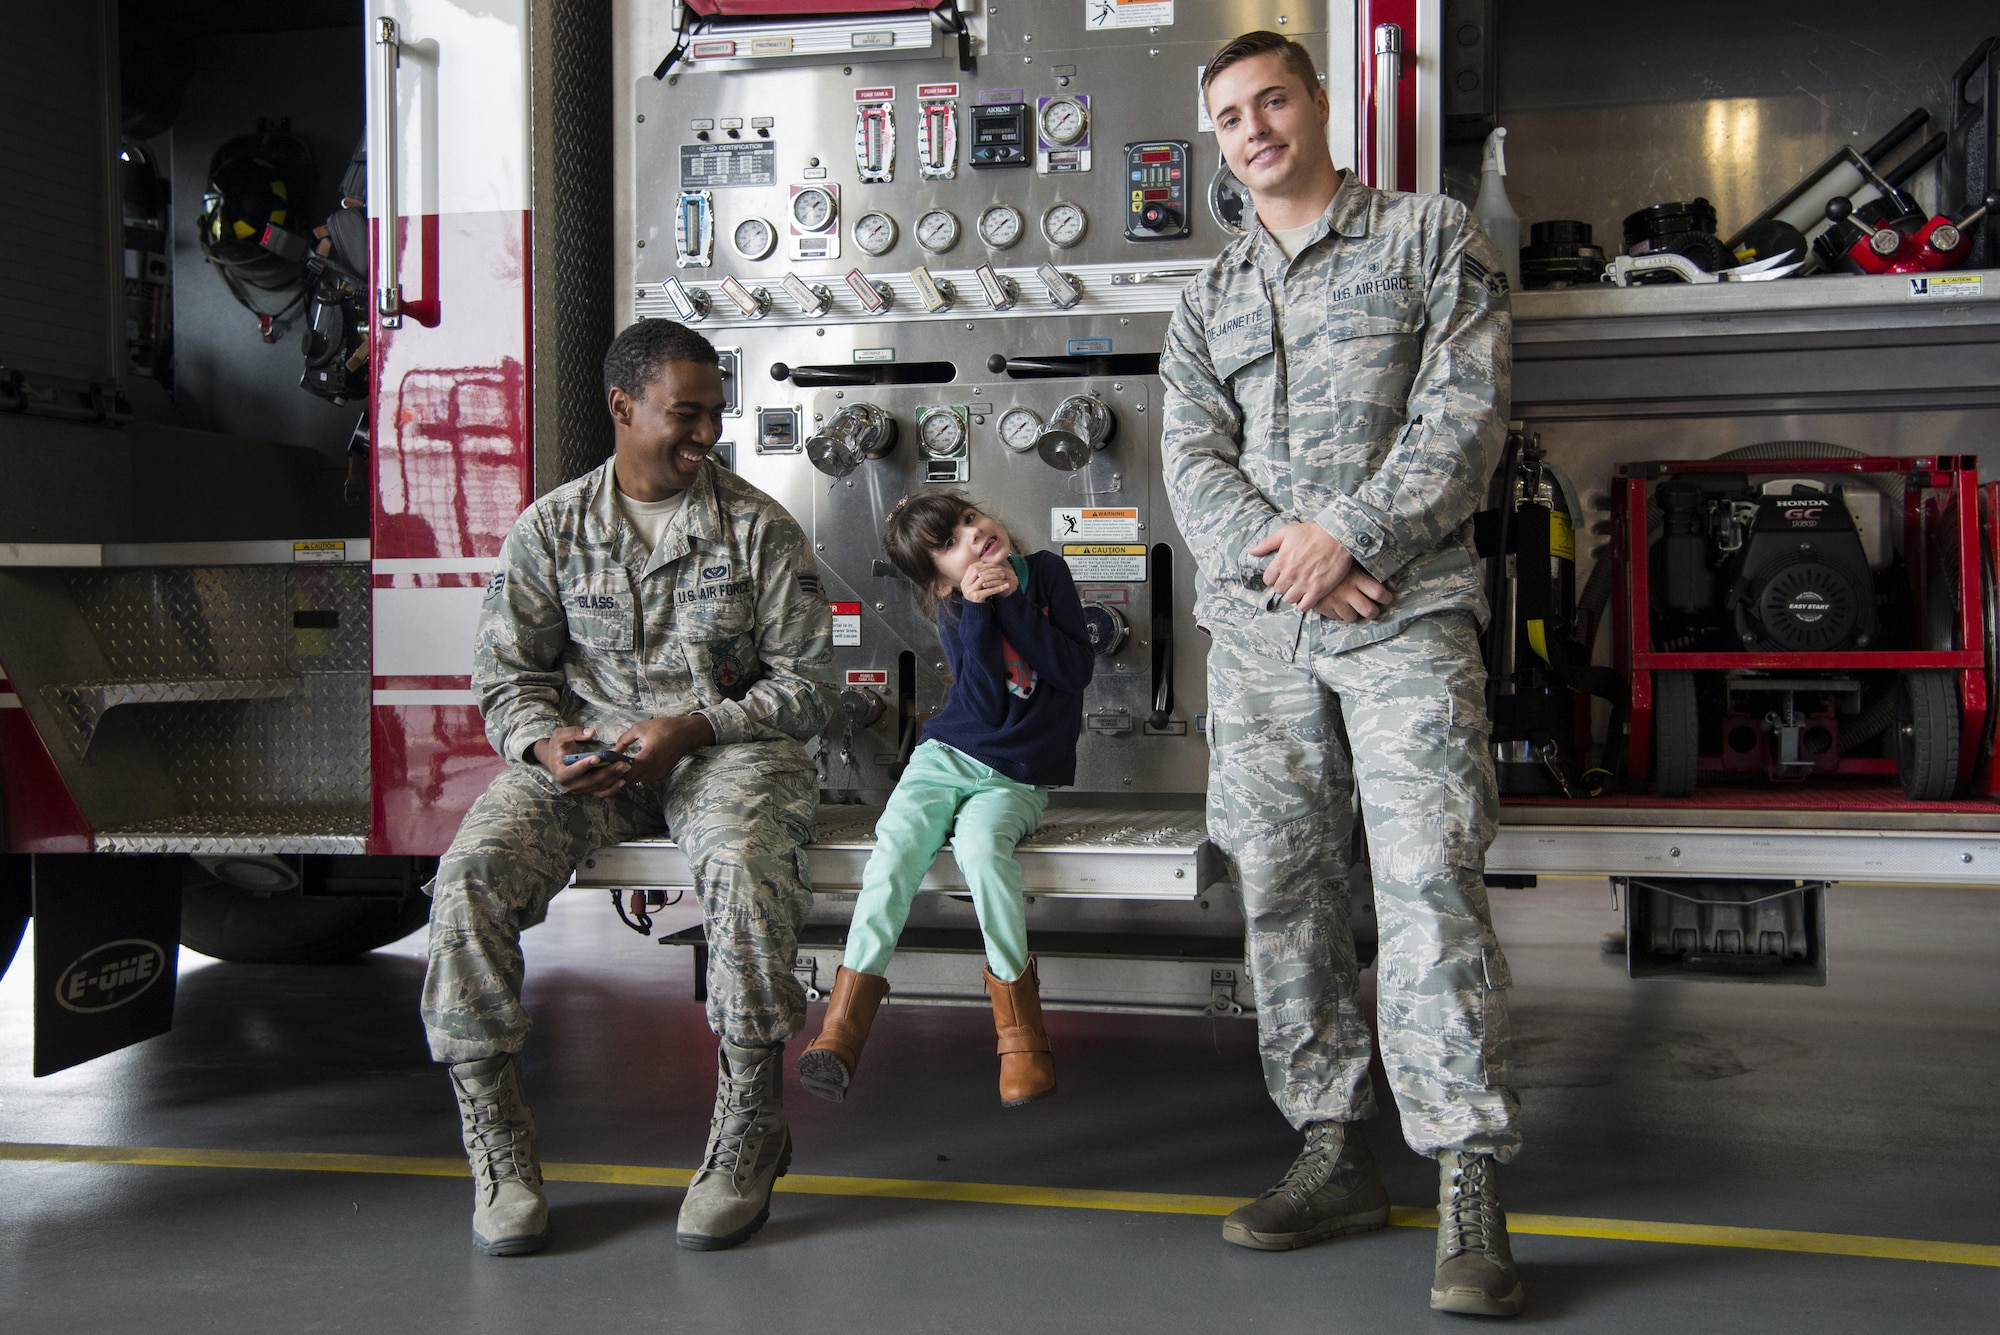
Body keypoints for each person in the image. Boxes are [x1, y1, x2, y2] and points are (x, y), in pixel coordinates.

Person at [1161, 31, 1525, 1317]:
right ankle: (1329, 1152)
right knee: (1283, 893)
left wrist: (1350, 538)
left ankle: (1465, 1180)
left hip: (1405, 616)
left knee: (1429, 884)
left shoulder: (1427, 239)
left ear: (1318, 106)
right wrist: (1291, 564)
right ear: (1217, 138)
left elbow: (1465, 417)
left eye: (1273, 100)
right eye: (1230, 115)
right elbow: (1192, 464)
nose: (1254, 127)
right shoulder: (1205, 298)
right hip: (1265, 638)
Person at [420, 318, 834, 1257]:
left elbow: (807, 689)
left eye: (713, 417)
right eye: (684, 416)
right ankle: (499, 1145)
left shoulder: (758, 528)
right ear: (621, 406)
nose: (705, 436)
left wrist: (695, 724)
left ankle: (749, 1128)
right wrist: (543, 743)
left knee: (743, 859)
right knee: (469, 877)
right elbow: (507, 677)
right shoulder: (552, 528)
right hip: (596, 762)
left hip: (725, 753)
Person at [797, 493, 1094, 1108]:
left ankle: (1021, 1037)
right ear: (941, 581)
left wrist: (1013, 597)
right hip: (943, 760)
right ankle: (841, 1030)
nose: (973, 535)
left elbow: (1072, 670)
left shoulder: (1048, 573)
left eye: (967, 519)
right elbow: (983, 706)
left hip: (1015, 774)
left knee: (984, 852)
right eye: (951, 544)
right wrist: (982, 611)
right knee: (895, 851)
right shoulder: (959, 611)